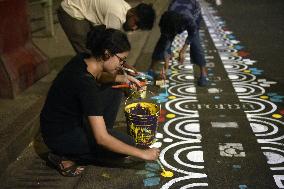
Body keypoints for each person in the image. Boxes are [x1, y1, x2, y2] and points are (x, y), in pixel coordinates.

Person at [40, 25, 160, 177]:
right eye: (121, 60)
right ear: (106, 54)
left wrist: (122, 78)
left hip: (60, 123)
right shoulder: (85, 85)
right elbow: (102, 139)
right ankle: (62, 155)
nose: (122, 65)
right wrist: (143, 154)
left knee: (115, 86)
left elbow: (99, 76)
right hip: (59, 136)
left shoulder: (82, 59)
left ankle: (101, 132)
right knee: (127, 145)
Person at [57, 0, 156, 53]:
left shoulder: (128, 10)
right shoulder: (116, 15)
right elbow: (108, 45)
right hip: (71, 11)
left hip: (82, 10)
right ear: (133, 13)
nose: (135, 28)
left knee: (97, 49)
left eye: (139, 27)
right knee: (87, 53)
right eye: (136, 24)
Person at [149, 0, 208, 86]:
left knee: (195, 43)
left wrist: (183, 51)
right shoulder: (166, 19)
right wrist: (165, 66)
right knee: (163, 42)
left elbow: (192, 33)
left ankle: (203, 73)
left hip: (194, 10)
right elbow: (166, 42)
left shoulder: (189, 19)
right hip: (176, 16)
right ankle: (151, 69)